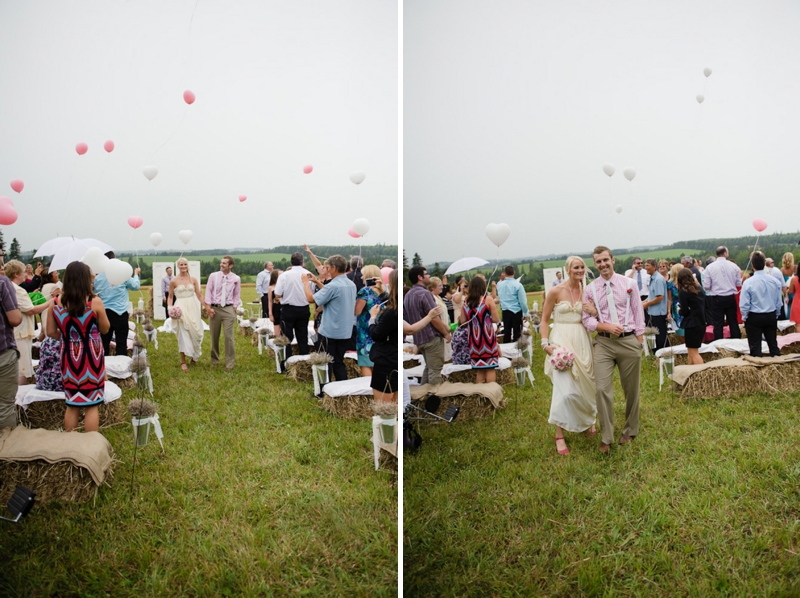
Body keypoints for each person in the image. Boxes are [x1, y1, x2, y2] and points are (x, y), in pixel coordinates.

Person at [582, 246, 645, 453]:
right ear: (595, 264)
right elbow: (587, 320)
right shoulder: (590, 289)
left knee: (631, 389)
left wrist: (639, 340)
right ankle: (606, 437)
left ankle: (630, 429)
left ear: (613, 260)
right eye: (598, 262)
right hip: (604, 343)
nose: (602, 264)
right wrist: (605, 326)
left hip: (629, 341)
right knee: (602, 389)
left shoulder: (629, 283)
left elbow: (638, 311)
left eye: (605, 260)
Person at [541, 256, 597, 455]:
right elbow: (545, 320)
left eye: (582, 267)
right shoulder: (556, 291)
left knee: (586, 384)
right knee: (564, 390)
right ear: (567, 269)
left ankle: (589, 419)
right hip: (561, 341)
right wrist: (545, 343)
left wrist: (594, 311)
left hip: (582, 340)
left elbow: (596, 316)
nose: (580, 270)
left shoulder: (588, 291)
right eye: (576, 267)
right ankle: (559, 434)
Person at [47, 262, 110, 432]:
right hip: (91, 356)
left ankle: (71, 445)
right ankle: (90, 447)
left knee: (72, 403)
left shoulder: (55, 303)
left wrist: (68, 336)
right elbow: (105, 329)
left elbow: (50, 332)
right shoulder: (94, 302)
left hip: (68, 355)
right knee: (92, 404)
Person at [305, 255, 356, 381]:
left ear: (334, 268)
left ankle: (324, 390)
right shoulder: (351, 284)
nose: (326, 270)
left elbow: (311, 299)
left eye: (327, 267)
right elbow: (331, 294)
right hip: (345, 332)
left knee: (325, 363)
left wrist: (305, 283)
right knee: (339, 361)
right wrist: (317, 282)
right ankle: (341, 389)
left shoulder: (333, 286)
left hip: (330, 332)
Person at [5, 260, 55, 384]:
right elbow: (31, 310)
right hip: (21, 332)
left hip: (14, 332)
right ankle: (18, 398)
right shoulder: (17, 290)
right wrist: (52, 301)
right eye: (22, 272)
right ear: (16, 274)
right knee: (21, 369)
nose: (25, 275)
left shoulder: (7, 286)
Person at [404, 266, 451, 385]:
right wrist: (445, 333)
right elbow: (434, 318)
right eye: (426, 274)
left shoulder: (408, 295)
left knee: (429, 368)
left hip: (419, 338)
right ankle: (433, 397)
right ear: (420, 277)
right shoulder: (425, 294)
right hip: (431, 337)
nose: (429, 276)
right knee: (435, 370)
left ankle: (422, 395)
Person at [93, 252, 141, 356]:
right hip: (120, 312)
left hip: (104, 313)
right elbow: (135, 286)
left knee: (104, 341)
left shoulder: (98, 278)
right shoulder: (122, 274)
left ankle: (104, 365)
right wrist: (136, 275)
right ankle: (121, 365)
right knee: (121, 342)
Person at [740, 252, 782, 357]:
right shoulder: (775, 281)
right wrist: (776, 314)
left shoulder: (748, 283)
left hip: (755, 317)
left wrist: (745, 317)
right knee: (773, 345)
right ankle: (776, 362)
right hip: (770, 315)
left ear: (752, 266)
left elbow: (744, 304)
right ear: (764, 264)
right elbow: (778, 302)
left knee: (755, 348)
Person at [458, 276, 500, 383]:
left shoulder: (466, 302)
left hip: (474, 339)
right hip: (487, 337)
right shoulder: (487, 300)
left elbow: (462, 321)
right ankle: (491, 393)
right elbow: (496, 319)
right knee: (490, 367)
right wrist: (486, 318)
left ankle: (479, 394)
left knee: (480, 369)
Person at [168, 257, 206, 372]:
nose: (183, 266)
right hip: (180, 307)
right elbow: (170, 297)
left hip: (193, 307)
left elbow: (199, 295)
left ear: (187, 266)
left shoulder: (193, 279)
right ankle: (183, 361)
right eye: (181, 265)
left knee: (196, 332)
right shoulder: (173, 281)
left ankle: (194, 354)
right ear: (178, 266)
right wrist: (170, 309)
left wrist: (207, 306)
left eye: (185, 264)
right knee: (183, 334)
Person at [205, 256, 241, 371]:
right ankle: (214, 360)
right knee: (214, 336)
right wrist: (208, 308)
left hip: (228, 309)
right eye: (221, 263)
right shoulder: (213, 276)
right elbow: (208, 291)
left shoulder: (236, 278)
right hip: (214, 308)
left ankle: (229, 363)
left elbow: (236, 294)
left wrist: (234, 307)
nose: (221, 264)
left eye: (224, 263)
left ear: (230, 266)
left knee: (228, 337)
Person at [369, 269, 399, 404]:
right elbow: (392, 300)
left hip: (386, 359)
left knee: (383, 405)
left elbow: (376, 335)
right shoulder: (400, 306)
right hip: (395, 357)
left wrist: (373, 318)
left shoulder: (392, 312)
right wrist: (382, 292)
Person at [274, 252, 312, 357]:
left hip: (288, 309)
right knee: (302, 336)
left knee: (286, 337)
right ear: (302, 262)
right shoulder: (308, 274)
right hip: (303, 308)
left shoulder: (284, 276)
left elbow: (277, 294)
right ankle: (304, 358)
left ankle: (287, 360)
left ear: (291, 262)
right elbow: (311, 293)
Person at [703, 246, 742, 340]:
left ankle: (718, 343)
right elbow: (738, 283)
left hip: (716, 297)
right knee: (733, 321)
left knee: (717, 323)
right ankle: (736, 341)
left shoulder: (709, 267)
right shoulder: (734, 266)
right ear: (725, 253)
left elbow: (706, 286)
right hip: (730, 296)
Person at [354, 264, 385, 376]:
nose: (361, 278)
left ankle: (368, 390)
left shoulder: (365, 291)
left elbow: (357, 311)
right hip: (380, 330)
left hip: (365, 333)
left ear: (368, 276)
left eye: (363, 275)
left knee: (366, 363)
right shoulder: (384, 290)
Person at [35, 276, 64, 392]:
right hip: (68, 382)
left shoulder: (54, 300)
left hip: (46, 383)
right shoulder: (90, 302)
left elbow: (50, 332)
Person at [0, 273, 21, 429]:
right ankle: (5, 448)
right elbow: (14, 319)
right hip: (2, 352)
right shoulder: (2, 283)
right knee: (5, 405)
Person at [677, 268, 706, 365]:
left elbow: (684, 311)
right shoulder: (699, 289)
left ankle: (701, 373)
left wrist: (679, 311)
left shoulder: (683, 291)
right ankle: (689, 371)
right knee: (690, 351)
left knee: (694, 353)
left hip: (691, 324)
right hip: (701, 322)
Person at [494, 265, 528, 343]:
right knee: (517, 334)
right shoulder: (518, 285)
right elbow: (522, 301)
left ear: (505, 273)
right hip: (516, 311)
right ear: (514, 272)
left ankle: (507, 351)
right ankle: (517, 351)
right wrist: (526, 313)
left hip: (505, 311)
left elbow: (500, 298)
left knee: (507, 333)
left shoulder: (500, 285)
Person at [642, 258, 668, 350]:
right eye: (645, 266)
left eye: (647, 266)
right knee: (656, 334)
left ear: (654, 267)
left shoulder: (658, 279)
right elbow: (652, 295)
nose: (645, 268)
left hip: (658, 312)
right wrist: (643, 302)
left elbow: (660, 297)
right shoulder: (653, 278)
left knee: (660, 335)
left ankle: (663, 352)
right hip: (653, 312)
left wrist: (647, 304)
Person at [267, 269, 283, 337]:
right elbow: (270, 301)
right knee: (277, 332)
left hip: (284, 307)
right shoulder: (271, 288)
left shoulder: (284, 285)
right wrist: (270, 314)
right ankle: (278, 343)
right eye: (280, 274)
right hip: (276, 308)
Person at [667, 263, 683, 328]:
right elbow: (669, 299)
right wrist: (668, 311)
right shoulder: (670, 284)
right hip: (676, 308)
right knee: (679, 327)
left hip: (686, 306)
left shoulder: (685, 282)